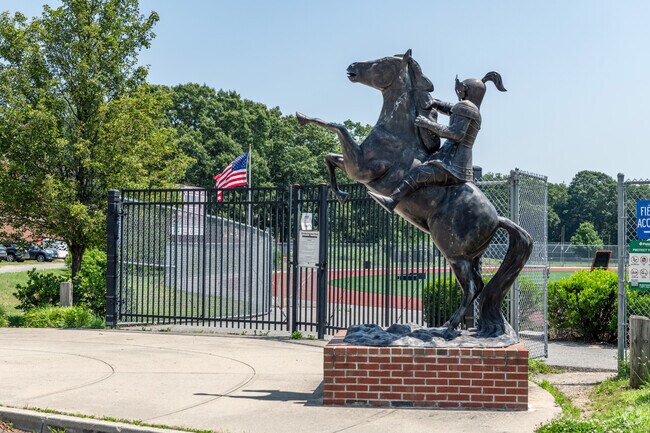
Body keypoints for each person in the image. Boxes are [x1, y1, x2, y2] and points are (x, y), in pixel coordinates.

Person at [368, 71, 507, 213]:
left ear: (467, 90)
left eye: (461, 88)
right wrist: (435, 103)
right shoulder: (472, 109)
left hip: (452, 165)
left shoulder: (465, 106)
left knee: (418, 173)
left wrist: (427, 124)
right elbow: (451, 108)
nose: (459, 91)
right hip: (459, 164)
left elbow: (455, 134)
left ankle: (392, 200)